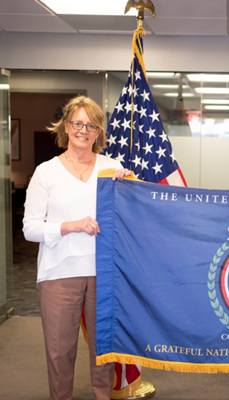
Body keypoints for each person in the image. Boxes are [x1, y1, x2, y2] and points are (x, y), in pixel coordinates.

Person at [23, 96, 131, 400]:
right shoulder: (46, 172)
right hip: (59, 272)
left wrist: (128, 185)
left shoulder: (113, 168)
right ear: (66, 127)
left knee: (103, 349)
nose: (84, 130)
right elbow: (30, 228)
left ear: (99, 132)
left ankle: (103, 396)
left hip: (105, 272)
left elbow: (132, 217)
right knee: (60, 350)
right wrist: (71, 225)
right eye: (78, 123)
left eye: (92, 125)